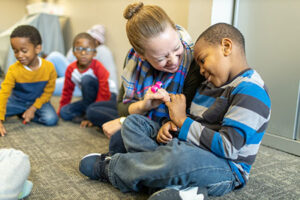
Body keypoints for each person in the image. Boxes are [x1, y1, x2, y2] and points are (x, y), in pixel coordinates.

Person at [79, 23, 271, 200]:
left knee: (181, 157)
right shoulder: (207, 85)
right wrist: (172, 126)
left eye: (203, 61)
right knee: (133, 124)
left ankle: (113, 168)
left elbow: (228, 147)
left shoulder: (250, 90)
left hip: (224, 167)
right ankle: (180, 189)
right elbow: (195, 124)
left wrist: (181, 121)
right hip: (185, 148)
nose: (201, 70)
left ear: (226, 47)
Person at [101, 2, 203, 154]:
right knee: (98, 112)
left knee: (118, 141)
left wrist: (124, 121)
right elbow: (121, 107)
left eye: (176, 48)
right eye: (161, 58)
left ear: (176, 30)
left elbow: (189, 118)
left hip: (170, 127)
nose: (174, 61)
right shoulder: (133, 60)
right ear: (141, 55)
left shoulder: (193, 62)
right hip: (143, 117)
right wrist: (145, 106)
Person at [0, 25, 58, 136]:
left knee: (51, 120)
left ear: (37, 48)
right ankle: (22, 112)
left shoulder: (49, 67)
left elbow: (48, 92)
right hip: (17, 101)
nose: (19, 55)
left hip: (39, 102)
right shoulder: (13, 69)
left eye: (24, 51)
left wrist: (33, 108)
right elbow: (4, 94)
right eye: (15, 51)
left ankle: (25, 113)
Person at [46, 24, 118, 97]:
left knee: (46, 86)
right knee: (54, 56)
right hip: (74, 76)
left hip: (85, 86)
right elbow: (68, 66)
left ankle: (38, 85)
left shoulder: (103, 51)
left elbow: (111, 76)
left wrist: (112, 95)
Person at [58, 32, 111, 126]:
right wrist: (61, 109)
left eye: (88, 50)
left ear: (94, 53)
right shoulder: (71, 69)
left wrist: (95, 114)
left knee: (86, 79)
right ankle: (86, 114)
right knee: (64, 112)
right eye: (79, 49)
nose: (83, 53)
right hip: (87, 101)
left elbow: (104, 91)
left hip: (104, 99)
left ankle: (90, 115)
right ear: (73, 52)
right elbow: (67, 91)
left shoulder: (98, 67)